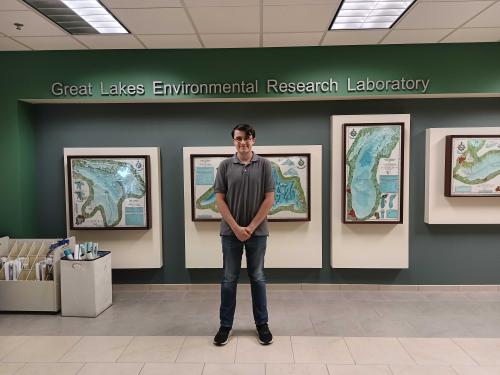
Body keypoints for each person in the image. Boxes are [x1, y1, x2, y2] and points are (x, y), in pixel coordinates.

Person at [212, 123, 275, 346]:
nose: (243, 142)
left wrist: (250, 227)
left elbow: (269, 199)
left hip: (257, 234)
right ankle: (225, 325)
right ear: (234, 141)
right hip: (230, 234)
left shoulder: (265, 165)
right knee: (229, 279)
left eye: (247, 138)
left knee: (257, 278)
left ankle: (262, 325)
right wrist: (237, 228)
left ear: (253, 140)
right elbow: (219, 199)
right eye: (238, 139)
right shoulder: (225, 166)